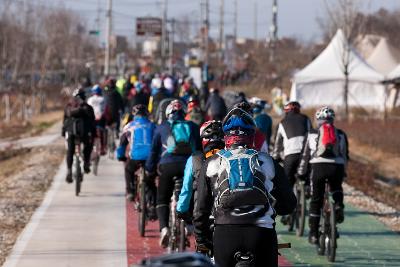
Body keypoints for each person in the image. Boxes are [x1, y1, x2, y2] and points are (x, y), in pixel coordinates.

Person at [193, 107, 296, 267]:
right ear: (251, 136)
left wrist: (202, 240)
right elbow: (289, 204)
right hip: (261, 234)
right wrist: (277, 208)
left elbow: (200, 210)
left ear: (226, 136)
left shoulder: (212, 163)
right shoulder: (267, 161)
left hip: (225, 234)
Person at [145, 100, 201, 247]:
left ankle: (164, 229)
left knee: (162, 198)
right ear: (184, 113)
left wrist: (149, 169)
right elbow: (200, 150)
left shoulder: (161, 128)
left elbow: (153, 151)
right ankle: (188, 225)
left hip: (167, 166)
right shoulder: (193, 127)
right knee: (188, 192)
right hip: (188, 165)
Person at [296, 106, 349, 245]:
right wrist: (343, 172)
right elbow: (344, 156)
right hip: (336, 166)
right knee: (337, 188)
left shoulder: (312, 134)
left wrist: (301, 174)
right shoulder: (341, 134)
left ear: (317, 120)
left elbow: (305, 157)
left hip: (318, 167)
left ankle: (313, 234)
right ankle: (338, 206)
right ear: (332, 119)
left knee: (316, 200)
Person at [176, 120, 225, 217]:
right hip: (226, 210)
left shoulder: (194, 158)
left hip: (201, 210)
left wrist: (181, 209)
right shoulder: (229, 156)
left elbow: (187, 186)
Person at [116, 105, 156, 211]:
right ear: (147, 114)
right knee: (150, 180)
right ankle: (152, 204)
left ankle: (130, 191)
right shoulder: (152, 125)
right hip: (150, 157)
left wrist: (120, 156)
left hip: (135, 157)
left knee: (128, 169)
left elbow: (122, 144)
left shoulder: (129, 126)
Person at [272, 101, 311, 186]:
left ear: (286, 111)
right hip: (305, 154)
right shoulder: (305, 119)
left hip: (290, 155)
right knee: (308, 177)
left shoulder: (282, 123)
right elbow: (311, 135)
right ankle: (308, 191)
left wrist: (276, 158)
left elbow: (277, 143)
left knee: (287, 185)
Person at [62, 87, 96, 183]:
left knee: (70, 151)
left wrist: (63, 132)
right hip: (84, 133)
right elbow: (92, 122)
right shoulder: (88, 108)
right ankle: (86, 163)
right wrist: (94, 134)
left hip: (71, 132)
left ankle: (69, 171)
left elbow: (64, 121)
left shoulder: (68, 107)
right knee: (87, 146)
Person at [87, 84, 107, 155]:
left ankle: (90, 148)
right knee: (103, 131)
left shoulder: (90, 99)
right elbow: (104, 109)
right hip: (100, 118)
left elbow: (87, 109)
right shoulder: (103, 99)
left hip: (92, 119)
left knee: (91, 133)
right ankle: (103, 148)